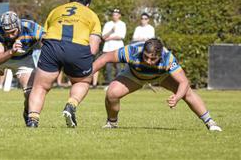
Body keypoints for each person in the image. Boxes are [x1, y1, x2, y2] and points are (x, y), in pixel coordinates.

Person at [92, 38, 222, 131]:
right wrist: (88, 73)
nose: (148, 61)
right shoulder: (131, 51)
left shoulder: (168, 58)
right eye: (146, 57)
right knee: (112, 93)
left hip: (161, 77)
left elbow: (184, 82)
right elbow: (105, 58)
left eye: (153, 58)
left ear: (160, 55)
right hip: (134, 75)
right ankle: (112, 123)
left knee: (186, 92)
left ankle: (210, 122)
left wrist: (177, 97)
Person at [27, 0, 101, 128]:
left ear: (70, 0)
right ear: (88, 4)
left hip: (52, 46)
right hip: (78, 48)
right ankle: (71, 104)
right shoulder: (92, 15)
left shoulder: (55, 10)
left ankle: (32, 120)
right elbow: (93, 48)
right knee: (83, 81)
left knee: (40, 86)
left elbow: (43, 37)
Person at [99, 8, 126, 84]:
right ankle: (109, 83)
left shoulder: (122, 24)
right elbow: (103, 37)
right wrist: (111, 31)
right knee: (108, 67)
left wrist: (110, 37)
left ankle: (118, 83)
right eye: (113, 15)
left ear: (119, 16)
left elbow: (121, 36)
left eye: (116, 15)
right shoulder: (108, 24)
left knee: (118, 66)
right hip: (108, 48)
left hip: (118, 48)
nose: (114, 16)